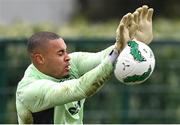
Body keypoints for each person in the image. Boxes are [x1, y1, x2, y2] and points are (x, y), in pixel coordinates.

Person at [16, 5, 154, 124]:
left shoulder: (71, 64)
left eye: (66, 51)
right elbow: (78, 88)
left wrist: (134, 43)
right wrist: (116, 52)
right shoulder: (29, 89)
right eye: (60, 53)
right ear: (40, 59)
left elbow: (103, 58)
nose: (67, 57)